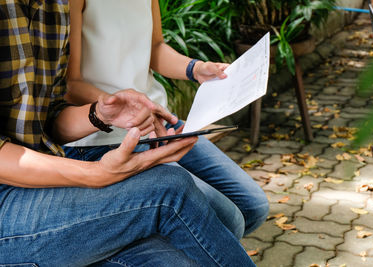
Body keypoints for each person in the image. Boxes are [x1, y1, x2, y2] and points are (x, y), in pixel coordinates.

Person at [0, 1, 257, 266]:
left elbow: (48, 120)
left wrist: (99, 115)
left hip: (56, 167)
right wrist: (96, 174)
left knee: (204, 239)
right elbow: (70, 87)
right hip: (22, 191)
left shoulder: (52, 9)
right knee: (172, 191)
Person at [65, 0, 269, 241]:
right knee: (227, 221)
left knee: (253, 207)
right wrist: (121, 107)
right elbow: (70, 84)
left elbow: (155, 47)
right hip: (105, 137)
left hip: (159, 122)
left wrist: (196, 68)